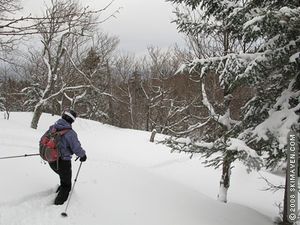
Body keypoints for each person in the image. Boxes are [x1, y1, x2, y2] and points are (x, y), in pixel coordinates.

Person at [47, 109, 87, 205]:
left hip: (51, 159)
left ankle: (61, 188)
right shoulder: (70, 133)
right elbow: (76, 148)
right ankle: (58, 203)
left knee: (63, 177)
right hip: (63, 161)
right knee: (67, 185)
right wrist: (83, 155)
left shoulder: (52, 127)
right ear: (72, 120)